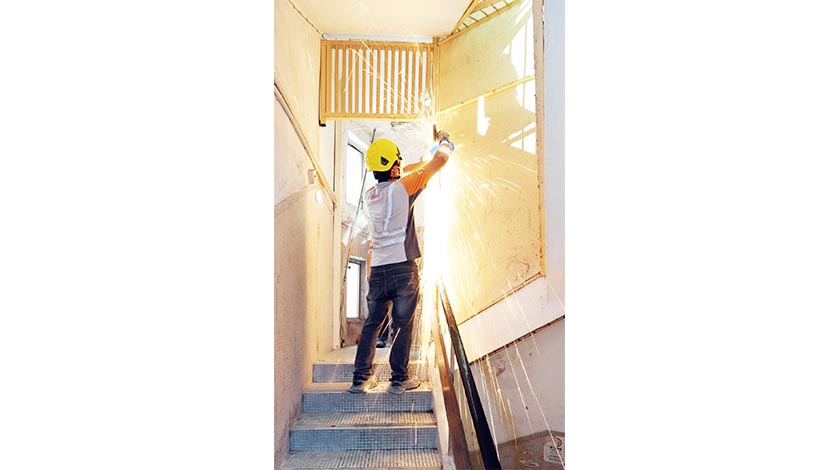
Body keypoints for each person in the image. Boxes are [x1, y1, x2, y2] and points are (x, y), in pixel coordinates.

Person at [347, 136, 452, 394]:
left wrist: (424, 155)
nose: (400, 166)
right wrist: (445, 144)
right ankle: (399, 380)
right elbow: (440, 161)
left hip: (378, 272)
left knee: (372, 324)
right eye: (398, 163)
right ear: (394, 167)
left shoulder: (370, 195)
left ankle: (360, 380)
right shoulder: (403, 188)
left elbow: (405, 171)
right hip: (403, 270)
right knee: (402, 325)